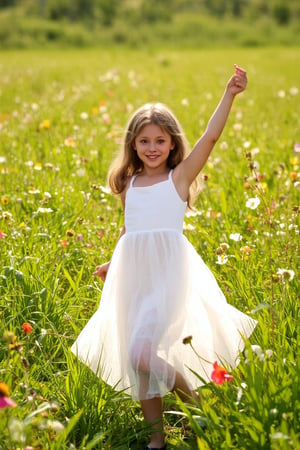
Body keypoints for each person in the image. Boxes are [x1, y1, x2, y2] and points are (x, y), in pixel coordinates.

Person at [71, 64, 257, 450]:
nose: (152, 148)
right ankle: (156, 441)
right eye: (144, 141)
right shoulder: (130, 182)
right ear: (133, 146)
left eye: (159, 140)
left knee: (141, 352)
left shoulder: (179, 179)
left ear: (172, 143)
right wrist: (112, 261)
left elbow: (210, 137)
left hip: (169, 276)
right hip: (134, 277)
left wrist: (230, 94)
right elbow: (129, 229)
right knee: (138, 358)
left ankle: (197, 405)